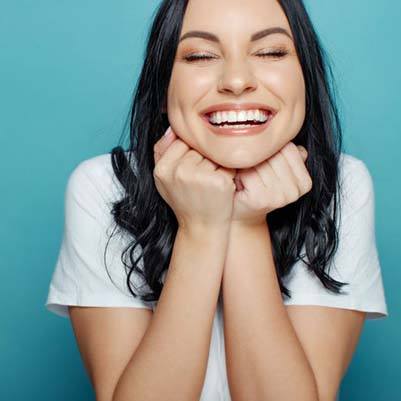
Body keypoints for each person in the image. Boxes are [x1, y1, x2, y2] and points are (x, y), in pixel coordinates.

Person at [45, 0, 388, 400]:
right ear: (163, 85)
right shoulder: (105, 186)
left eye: (270, 52)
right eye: (201, 55)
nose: (237, 80)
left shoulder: (342, 185)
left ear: (306, 76)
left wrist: (246, 223)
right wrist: (201, 229)